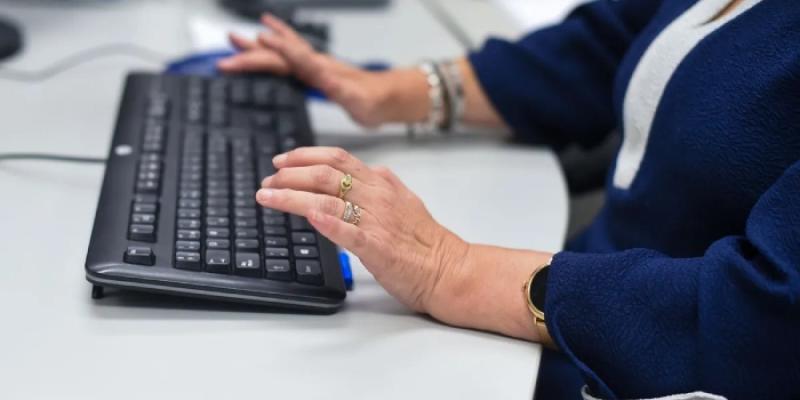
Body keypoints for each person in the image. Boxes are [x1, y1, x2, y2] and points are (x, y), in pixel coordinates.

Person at [218, 0, 800, 398]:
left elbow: (766, 318)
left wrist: (451, 269)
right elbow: (600, 50)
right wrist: (382, 92)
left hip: (636, 364)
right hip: (576, 308)